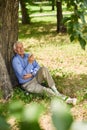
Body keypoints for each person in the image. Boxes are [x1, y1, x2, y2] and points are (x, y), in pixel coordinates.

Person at [12, 41, 77, 105]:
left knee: (44, 69)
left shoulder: (28, 55)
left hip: (34, 77)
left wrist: (32, 74)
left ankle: (55, 90)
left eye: (22, 46)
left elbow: (37, 66)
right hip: (28, 84)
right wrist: (30, 63)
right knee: (46, 90)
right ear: (15, 50)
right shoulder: (15, 60)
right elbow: (23, 75)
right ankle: (67, 100)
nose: (21, 49)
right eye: (19, 48)